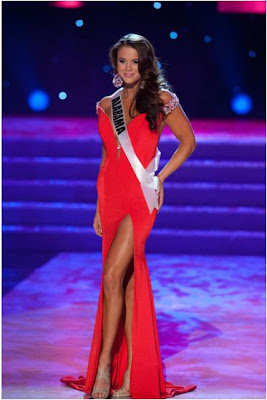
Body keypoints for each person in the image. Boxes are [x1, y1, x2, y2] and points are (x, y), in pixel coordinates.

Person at [60, 33, 197, 399]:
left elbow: (188, 141)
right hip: (112, 197)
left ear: (146, 63)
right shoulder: (106, 105)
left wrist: (161, 177)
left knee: (112, 274)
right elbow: (106, 158)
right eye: (123, 61)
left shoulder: (162, 100)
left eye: (135, 61)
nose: (129, 67)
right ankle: (131, 372)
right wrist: (97, 206)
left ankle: (105, 366)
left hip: (141, 196)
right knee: (127, 281)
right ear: (115, 65)